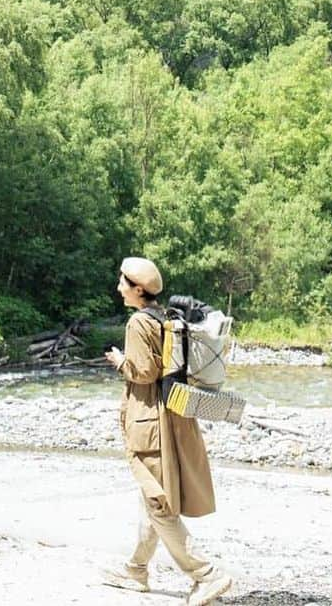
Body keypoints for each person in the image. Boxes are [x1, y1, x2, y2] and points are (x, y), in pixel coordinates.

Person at [104, 256, 232, 605]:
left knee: (158, 502)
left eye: (123, 283)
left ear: (138, 289)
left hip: (150, 421)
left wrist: (120, 362)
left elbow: (143, 372)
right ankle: (136, 570)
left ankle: (206, 574)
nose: (118, 288)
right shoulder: (163, 318)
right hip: (172, 413)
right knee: (153, 498)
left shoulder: (137, 324)